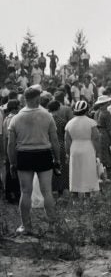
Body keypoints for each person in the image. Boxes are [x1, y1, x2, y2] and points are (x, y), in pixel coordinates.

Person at [7, 87, 61, 234]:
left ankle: (26, 226)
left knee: (25, 192)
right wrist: (57, 159)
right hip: (43, 154)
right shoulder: (47, 116)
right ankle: (52, 225)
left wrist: (12, 163)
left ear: (25, 99)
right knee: (47, 192)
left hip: (24, 155)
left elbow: (11, 144)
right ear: (37, 99)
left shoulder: (16, 118)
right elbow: (55, 141)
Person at [66, 101, 101, 197]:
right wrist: (98, 153)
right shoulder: (91, 122)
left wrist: (68, 154)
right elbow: (96, 138)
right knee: (88, 171)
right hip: (88, 148)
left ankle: (75, 197)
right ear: (86, 110)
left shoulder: (70, 123)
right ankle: (87, 196)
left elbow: (67, 141)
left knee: (75, 172)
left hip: (74, 148)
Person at [94, 95, 111, 181]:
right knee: (108, 155)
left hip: (97, 133)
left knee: (99, 155)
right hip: (105, 134)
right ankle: (109, 178)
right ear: (105, 104)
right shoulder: (106, 113)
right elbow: (110, 128)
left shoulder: (96, 112)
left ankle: (100, 176)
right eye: (107, 102)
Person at [48, 100, 68, 195]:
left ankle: (52, 187)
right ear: (58, 108)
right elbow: (65, 136)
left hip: (48, 146)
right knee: (62, 167)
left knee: (50, 168)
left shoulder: (46, 120)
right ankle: (61, 187)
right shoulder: (62, 121)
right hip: (60, 145)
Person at [3, 100, 21, 204]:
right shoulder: (15, 119)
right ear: (15, 108)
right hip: (15, 146)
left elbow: (5, 138)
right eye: (19, 106)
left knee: (10, 171)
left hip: (9, 146)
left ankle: (9, 193)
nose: (20, 108)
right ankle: (16, 193)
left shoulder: (6, 119)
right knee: (15, 170)